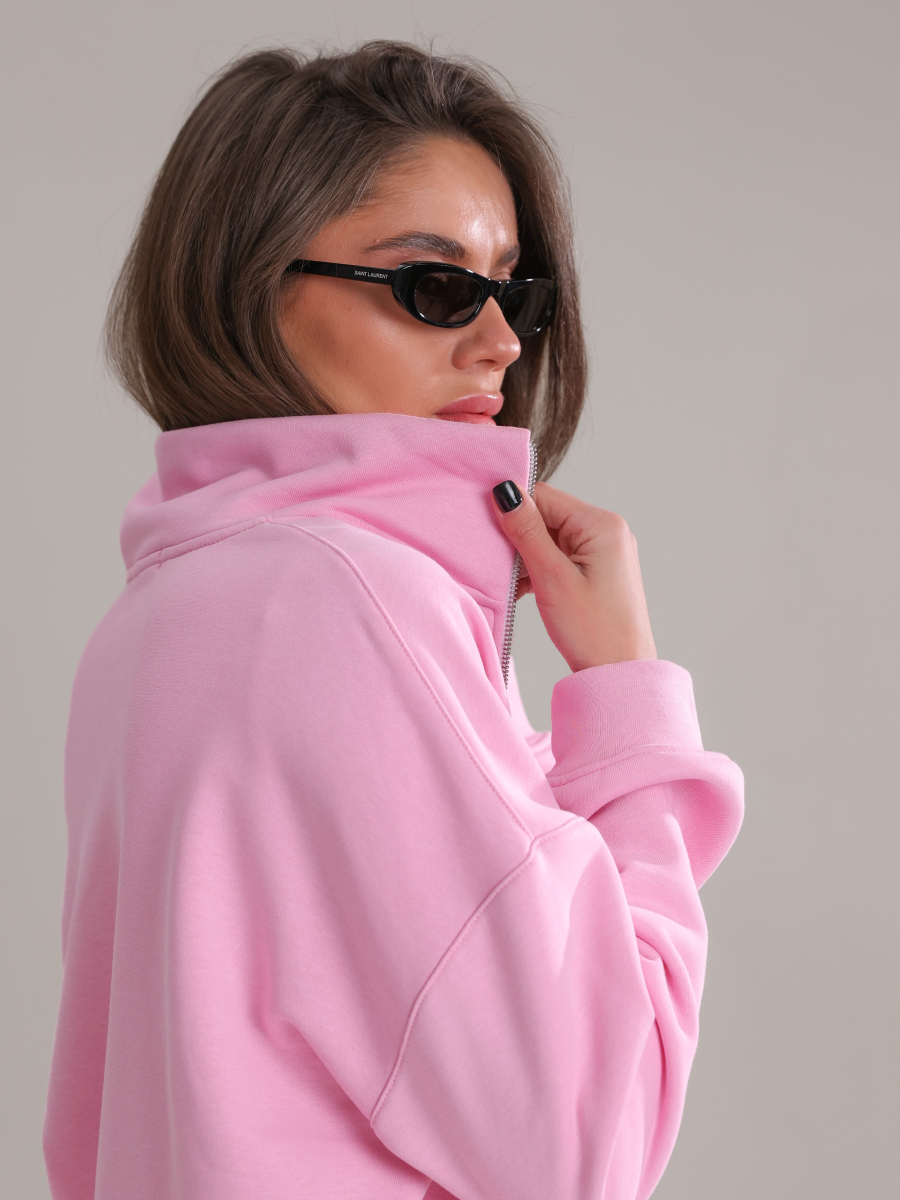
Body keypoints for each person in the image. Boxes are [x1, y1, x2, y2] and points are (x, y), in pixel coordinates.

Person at [43, 41, 744, 1200]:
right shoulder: (343, 602)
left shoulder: (160, 609)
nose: (501, 343)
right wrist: (626, 692)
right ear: (252, 287)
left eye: (515, 292)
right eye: (435, 286)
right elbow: (586, 1139)